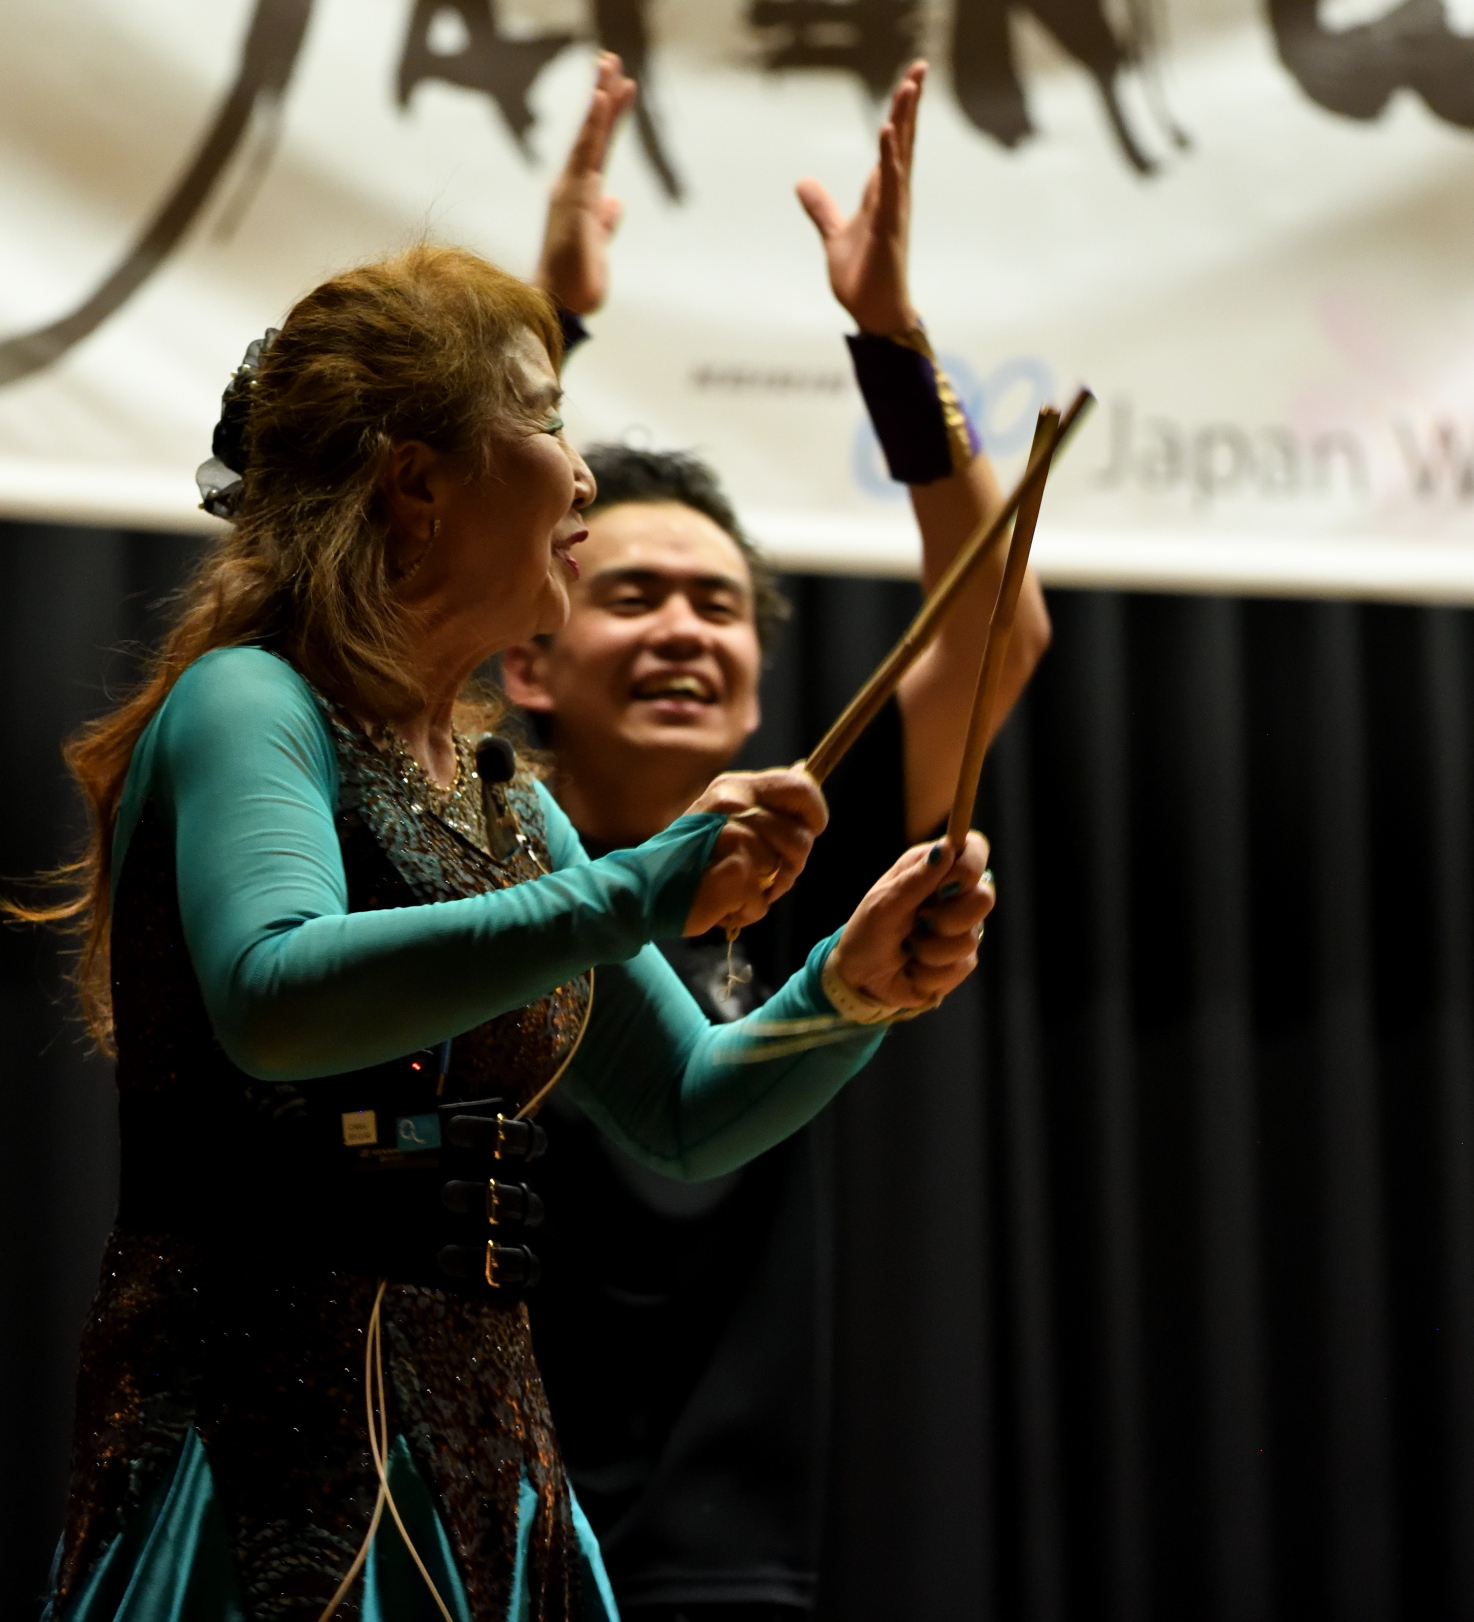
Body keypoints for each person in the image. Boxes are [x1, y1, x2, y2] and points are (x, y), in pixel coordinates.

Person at [22, 243, 997, 1622]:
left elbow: (685, 1108)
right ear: (417, 482)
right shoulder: (252, 702)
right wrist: (632, 889)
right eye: (546, 421)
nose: (583, 476)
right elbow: (272, 995)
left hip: (486, 1475)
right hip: (260, 1469)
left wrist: (851, 991)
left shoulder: (508, 803)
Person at [503, 59, 1050, 1622]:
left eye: (721, 604)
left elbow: (997, 629)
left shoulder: (808, 842)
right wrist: (547, 323)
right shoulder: (468, 827)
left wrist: (891, 336)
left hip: (716, 1549)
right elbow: (427, 560)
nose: (686, 627)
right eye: (632, 594)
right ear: (528, 657)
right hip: (466, 1506)